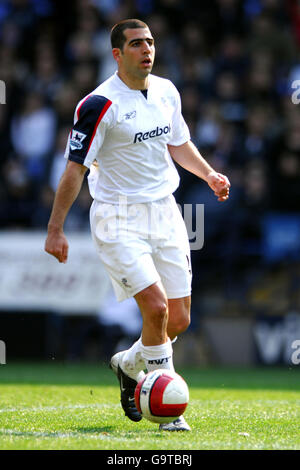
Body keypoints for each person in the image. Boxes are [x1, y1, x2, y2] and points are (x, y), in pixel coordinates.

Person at [44, 19, 230, 431]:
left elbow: (178, 143)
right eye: (136, 44)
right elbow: (75, 169)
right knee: (156, 307)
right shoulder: (97, 104)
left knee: (176, 320)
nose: (146, 50)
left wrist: (209, 174)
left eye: (150, 42)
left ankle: (128, 365)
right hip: (117, 217)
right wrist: (55, 228)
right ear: (117, 54)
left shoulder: (166, 91)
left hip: (164, 211)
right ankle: (170, 412)